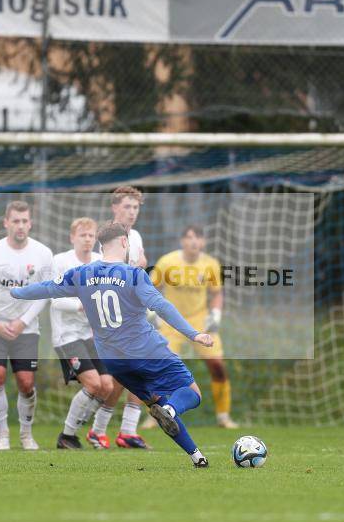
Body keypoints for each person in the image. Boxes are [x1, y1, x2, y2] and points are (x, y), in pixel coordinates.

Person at [11, 222, 214, 468]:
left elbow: (47, 288)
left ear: (100, 245)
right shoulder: (134, 274)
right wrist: (194, 334)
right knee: (192, 394)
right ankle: (172, 411)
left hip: (114, 362)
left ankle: (197, 457)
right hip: (147, 351)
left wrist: (18, 292)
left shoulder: (81, 273)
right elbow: (161, 306)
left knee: (156, 404)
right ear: (125, 242)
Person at [147, 224, 238, 429]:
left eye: (198, 237)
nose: (193, 241)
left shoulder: (211, 264)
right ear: (182, 241)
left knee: (217, 366)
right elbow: (151, 288)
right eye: (189, 237)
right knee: (159, 369)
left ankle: (223, 416)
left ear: (203, 241)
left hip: (200, 322)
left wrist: (215, 315)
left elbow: (216, 293)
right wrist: (152, 313)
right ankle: (154, 414)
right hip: (171, 323)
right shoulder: (167, 261)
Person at [0, 200, 53, 451]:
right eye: (15, 221)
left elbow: (45, 293)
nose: (20, 226)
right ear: (6, 223)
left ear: (30, 223)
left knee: (25, 383)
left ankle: (26, 434)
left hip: (26, 328)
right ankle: (2, 435)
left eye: (24, 221)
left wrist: (22, 322)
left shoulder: (43, 254)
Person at [88, 186, 150, 449]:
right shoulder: (105, 236)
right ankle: (98, 430)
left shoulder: (134, 236)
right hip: (111, 318)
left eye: (135, 207)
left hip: (133, 315)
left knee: (142, 372)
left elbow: (142, 261)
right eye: (127, 206)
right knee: (118, 377)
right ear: (115, 208)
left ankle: (127, 431)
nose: (132, 212)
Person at [50, 218, 115, 449]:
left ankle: (76, 429)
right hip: (67, 335)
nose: (87, 239)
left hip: (93, 335)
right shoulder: (61, 261)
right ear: (72, 238)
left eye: (91, 235)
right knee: (93, 383)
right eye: (82, 235)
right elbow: (55, 300)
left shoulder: (101, 262)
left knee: (107, 386)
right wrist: (82, 305)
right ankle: (67, 435)